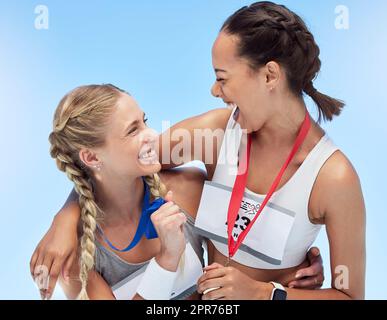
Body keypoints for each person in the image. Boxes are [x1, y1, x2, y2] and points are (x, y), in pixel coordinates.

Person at [36, 84, 207, 300]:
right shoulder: (77, 255)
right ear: (92, 158)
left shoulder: (190, 188)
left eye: (145, 121)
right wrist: (168, 258)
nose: (152, 136)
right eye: (132, 130)